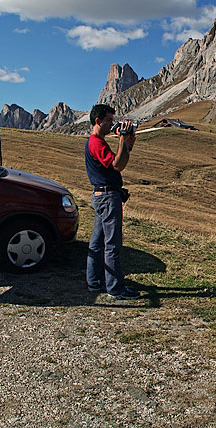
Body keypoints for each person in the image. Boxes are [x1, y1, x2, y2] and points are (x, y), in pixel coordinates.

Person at [84, 104, 139, 299]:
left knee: (97, 242)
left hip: (101, 196)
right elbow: (118, 165)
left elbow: (120, 158)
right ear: (98, 121)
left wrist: (128, 141)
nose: (111, 124)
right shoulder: (96, 143)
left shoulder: (95, 141)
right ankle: (115, 288)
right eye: (108, 120)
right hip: (108, 198)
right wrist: (123, 138)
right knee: (112, 244)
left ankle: (94, 282)